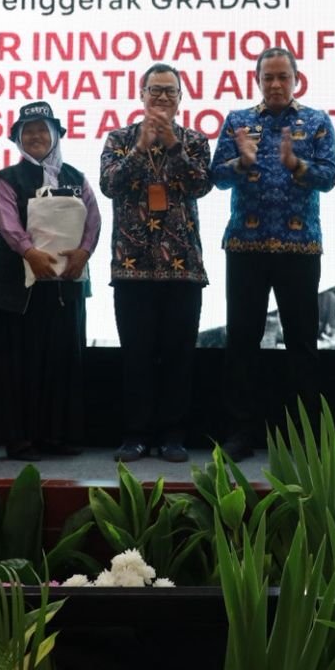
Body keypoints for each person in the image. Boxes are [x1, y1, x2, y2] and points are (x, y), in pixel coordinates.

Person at [210, 47, 335, 461]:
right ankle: (240, 432)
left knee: (302, 344)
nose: (276, 84)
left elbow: (329, 177)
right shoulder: (238, 121)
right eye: (268, 77)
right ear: (257, 81)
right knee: (242, 342)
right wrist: (241, 162)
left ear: (297, 79)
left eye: (284, 76)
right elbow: (216, 177)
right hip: (245, 247)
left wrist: (296, 165)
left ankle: (305, 436)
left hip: (300, 248)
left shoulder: (317, 121)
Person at [99, 64, 213, 463]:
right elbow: (109, 185)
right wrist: (141, 147)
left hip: (184, 267)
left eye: (170, 91)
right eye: (155, 90)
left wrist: (172, 145)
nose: (162, 97)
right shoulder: (119, 138)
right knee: (137, 355)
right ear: (141, 94)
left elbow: (200, 184)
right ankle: (136, 434)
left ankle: (173, 435)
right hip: (132, 265)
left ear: (181, 98)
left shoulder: (194, 140)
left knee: (178, 357)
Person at [0, 101, 101, 462]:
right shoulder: (6, 179)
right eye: (28, 131)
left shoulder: (76, 177)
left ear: (56, 135)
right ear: (18, 139)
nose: (36, 137)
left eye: (42, 130)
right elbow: (6, 222)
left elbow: (93, 219)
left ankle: (57, 434)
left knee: (62, 360)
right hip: (17, 289)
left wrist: (84, 252)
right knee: (17, 364)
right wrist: (30, 252)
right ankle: (19, 439)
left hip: (66, 284)